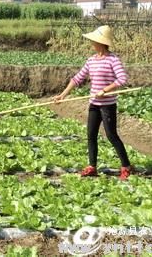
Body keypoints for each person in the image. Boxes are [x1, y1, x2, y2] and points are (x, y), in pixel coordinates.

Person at [53, 25, 132, 180]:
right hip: (94, 104)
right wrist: (62, 95)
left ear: (101, 43)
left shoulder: (113, 59)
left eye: (94, 41)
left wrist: (105, 90)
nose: (92, 44)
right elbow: (77, 79)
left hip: (108, 105)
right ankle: (92, 166)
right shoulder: (91, 61)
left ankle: (126, 166)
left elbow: (122, 79)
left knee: (111, 135)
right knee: (91, 135)